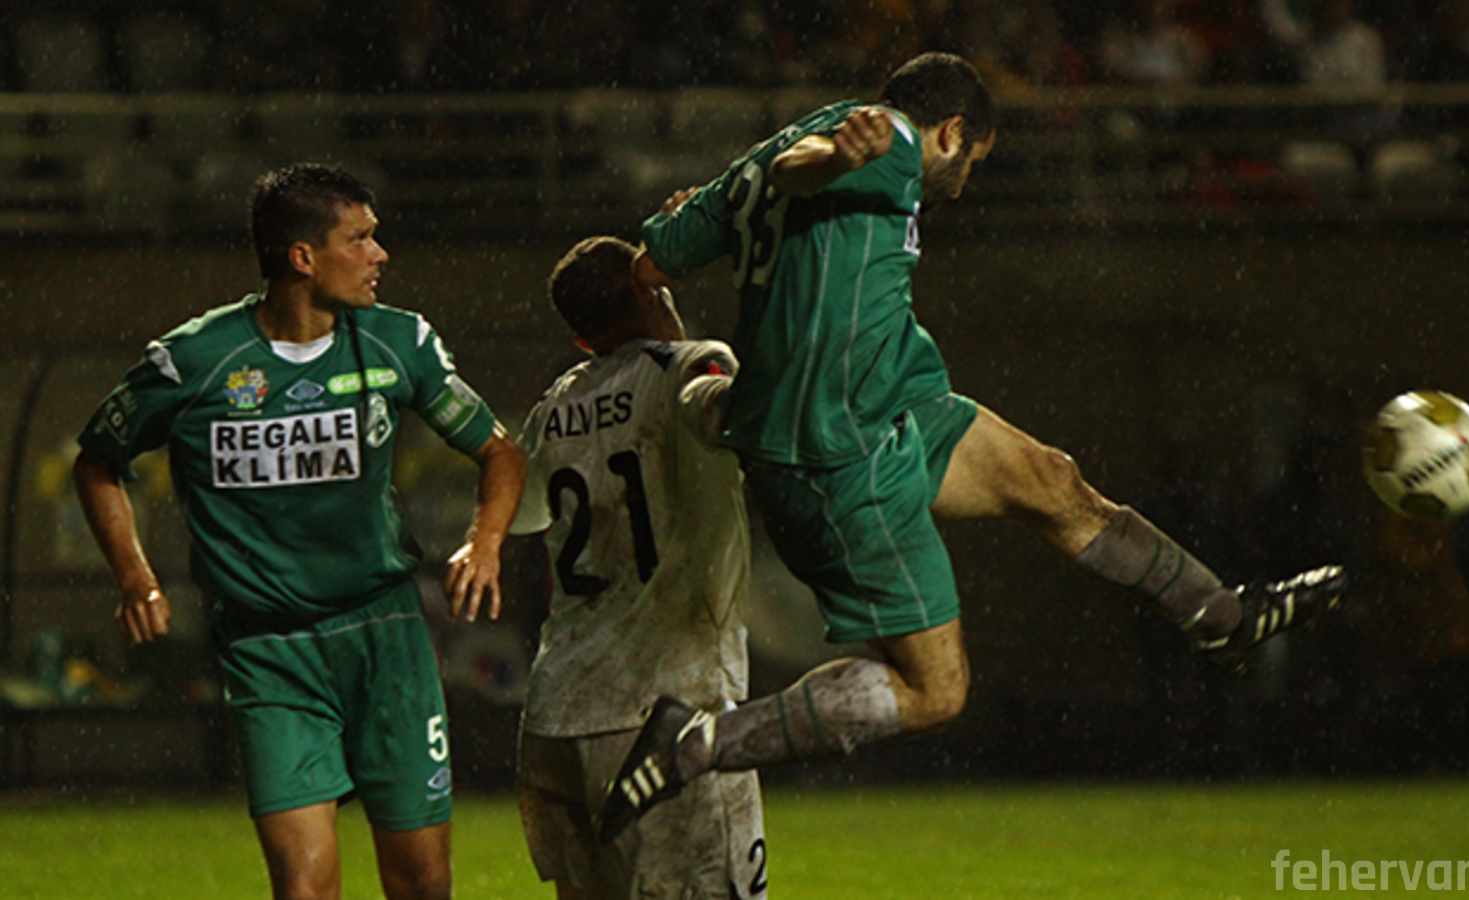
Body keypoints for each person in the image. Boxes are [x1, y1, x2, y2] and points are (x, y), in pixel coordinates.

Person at [599, 52, 1345, 840]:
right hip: (838, 453)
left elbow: (650, 264)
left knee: (1051, 480)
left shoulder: (750, 164)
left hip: (894, 402)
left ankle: (1221, 616)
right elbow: (800, 169)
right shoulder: (885, 140)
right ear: (951, 132)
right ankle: (693, 742)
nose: (960, 185)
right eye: (971, 163)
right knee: (935, 693)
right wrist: (831, 161)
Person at [73, 163, 526, 900]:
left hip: (384, 636)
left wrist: (486, 541)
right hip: (267, 648)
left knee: (422, 881)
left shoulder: (398, 342)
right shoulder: (194, 360)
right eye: (361, 238)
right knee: (304, 887)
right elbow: (98, 462)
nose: (380, 254)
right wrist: (135, 576)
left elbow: (499, 452)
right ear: (303, 257)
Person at [508, 235, 766, 898]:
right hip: (669, 711)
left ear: (581, 338)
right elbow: (730, 410)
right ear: (652, 292)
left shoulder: (553, 406)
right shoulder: (689, 366)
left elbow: (523, 514)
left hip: (554, 721)